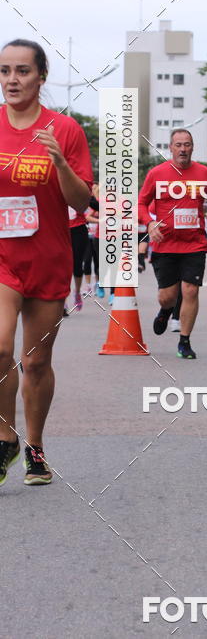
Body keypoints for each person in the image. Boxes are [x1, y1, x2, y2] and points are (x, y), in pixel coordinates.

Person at [0, 39, 93, 487]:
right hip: (2, 259)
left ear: (41, 76)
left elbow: (81, 201)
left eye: (21, 71)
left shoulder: (65, 130)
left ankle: (34, 446)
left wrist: (59, 162)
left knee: (35, 362)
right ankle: (5, 436)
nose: (12, 80)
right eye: (4, 71)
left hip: (48, 258)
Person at [138, 129, 207, 359]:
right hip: (165, 244)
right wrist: (149, 224)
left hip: (194, 244)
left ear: (192, 147)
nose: (183, 149)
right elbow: (140, 203)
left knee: (190, 290)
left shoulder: (204, 173)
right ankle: (166, 310)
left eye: (187, 144)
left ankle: (184, 341)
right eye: (178, 145)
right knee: (167, 296)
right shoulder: (156, 174)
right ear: (170, 148)